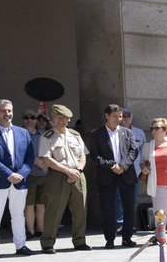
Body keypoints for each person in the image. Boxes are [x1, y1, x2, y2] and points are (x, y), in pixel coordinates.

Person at [0, 99, 34, 258]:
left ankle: (20, 245)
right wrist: (8, 174)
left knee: (18, 214)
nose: (7, 114)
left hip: (20, 181)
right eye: (3, 111)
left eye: (9, 111)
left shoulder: (22, 132)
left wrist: (21, 174)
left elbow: (30, 156)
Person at [37, 105, 91, 253]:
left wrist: (78, 170)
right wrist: (67, 171)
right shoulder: (47, 136)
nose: (60, 121)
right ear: (52, 119)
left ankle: (80, 241)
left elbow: (83, 155)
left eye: (63, 118)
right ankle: (48, 242)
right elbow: (47, 159)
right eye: (57, 118)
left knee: (81, 208)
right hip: (58, 174)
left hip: (78, 174)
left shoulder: (75, 135)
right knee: (55, 209)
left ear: (69, 119)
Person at [87, 104, 140, 249]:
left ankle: (127, 238)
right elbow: (95, 156)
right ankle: (109, 239)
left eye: (120, 116)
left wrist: (122, 165)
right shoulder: (96, 134)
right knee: (107, 208)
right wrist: (112, 165)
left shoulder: (127, 132)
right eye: (115, 116)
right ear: (107, 116)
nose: (119, 119)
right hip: (107, 175)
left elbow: (133, 152)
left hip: (126, 174)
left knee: (129, 208)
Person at [21, 110, 47, 239]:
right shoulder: (19, 134)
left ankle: (40, 230)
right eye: (27, 117)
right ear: (22, 120)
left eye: (33, 118)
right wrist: (37, 162)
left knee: (41, 204)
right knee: (29, 204)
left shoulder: (44, 135)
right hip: (28, 174)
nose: (30, 120)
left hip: (44, 174)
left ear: (37, 120)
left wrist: (45, 163)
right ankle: (30, 231)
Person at [120, 108, 146, 229]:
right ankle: (119, 224)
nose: (126, 118)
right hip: (118, 170)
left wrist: (143, 168)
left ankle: (129, 225)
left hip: (135, 171)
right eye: (123, 116)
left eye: (128, 115)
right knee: (118, 199)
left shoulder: (139, 132)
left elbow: (143, 152)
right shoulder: (115, 131)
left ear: (132, 116)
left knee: (131, 199)